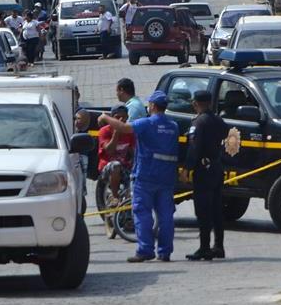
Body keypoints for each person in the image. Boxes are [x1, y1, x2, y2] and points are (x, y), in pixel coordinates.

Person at [98, 90, 179, 262]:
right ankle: (165, 252)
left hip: (146, 176)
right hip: (166, 177)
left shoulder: (146, 123)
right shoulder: (174, 126)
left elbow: (122, 127)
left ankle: (145, 250)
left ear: (153, 106)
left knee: (142, 212)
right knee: (165, 216)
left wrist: (105, 118)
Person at [181, 90, 229, 261]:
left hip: (203, 169)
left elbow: (194, 148)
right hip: (217, 167)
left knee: (203, 210)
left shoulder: (198, 122)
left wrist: (187, 168)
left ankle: (204, 247)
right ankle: (219, 246)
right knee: (216, 209)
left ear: (196, 103)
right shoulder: (219, 120)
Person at [98, 105, 135, 206]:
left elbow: (133, 152)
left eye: (123, 117)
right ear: (111, 118)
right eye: (117, 117)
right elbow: (109, 150)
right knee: (116, 165)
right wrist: (116, 133)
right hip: (108, 167)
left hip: (124, 167)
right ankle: (115, 197)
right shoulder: (104, 131)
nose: (120, 120)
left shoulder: (129, 132)